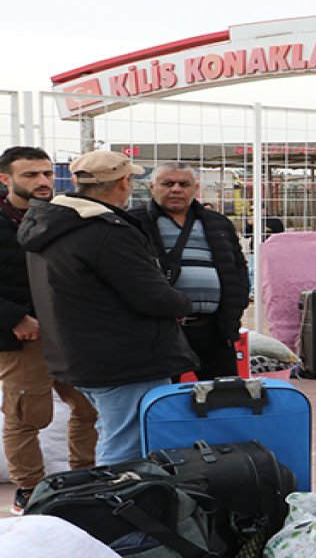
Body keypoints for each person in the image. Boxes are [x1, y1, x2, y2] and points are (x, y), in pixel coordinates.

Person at [19, 150, 197, 465]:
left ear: (75, 181)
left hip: (80, 353)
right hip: (125, 359)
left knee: (111, 432)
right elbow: (149, 294)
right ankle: (113, 507)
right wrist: (182, 304)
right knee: (125, 447)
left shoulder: (50, 225)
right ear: (123, 182)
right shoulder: (105, 231)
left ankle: (106, 500)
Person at [0, 147, 98, 515]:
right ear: (5, 179)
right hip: (23, 336)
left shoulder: (66, 215)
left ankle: (85, 477)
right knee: (27, 415)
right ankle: (29, 489)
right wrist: (13, 318)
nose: (42, 181)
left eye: (46, 173)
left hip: (72, 333)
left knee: (90, 406)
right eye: (30, 175)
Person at [130, 162, 249, 380]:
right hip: (160, 331)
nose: (176, 189)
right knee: (162, 396)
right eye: (168, 183)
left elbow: (238, 270)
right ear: (152, 186)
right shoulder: (134, 222)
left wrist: (235, 309)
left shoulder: (218, 223)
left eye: (184, 184)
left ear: (196, 188)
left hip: (213, 329)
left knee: (225, 393)